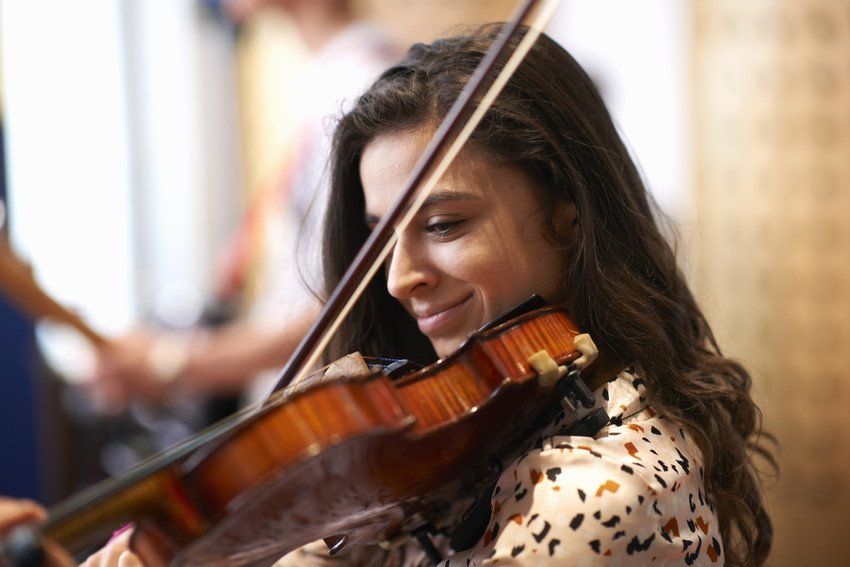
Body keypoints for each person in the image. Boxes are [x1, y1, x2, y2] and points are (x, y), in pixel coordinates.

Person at [13, 24, 774, 567]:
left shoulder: (594, 494)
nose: (397, 277)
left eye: (444, 223)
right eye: (382, 234)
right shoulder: (460, 443)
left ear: (569, 217)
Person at [88, 0, 400, 411]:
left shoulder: (360, 87)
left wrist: (175, 361)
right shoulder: (328, 78)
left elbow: (345, 302)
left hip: (331, 408)